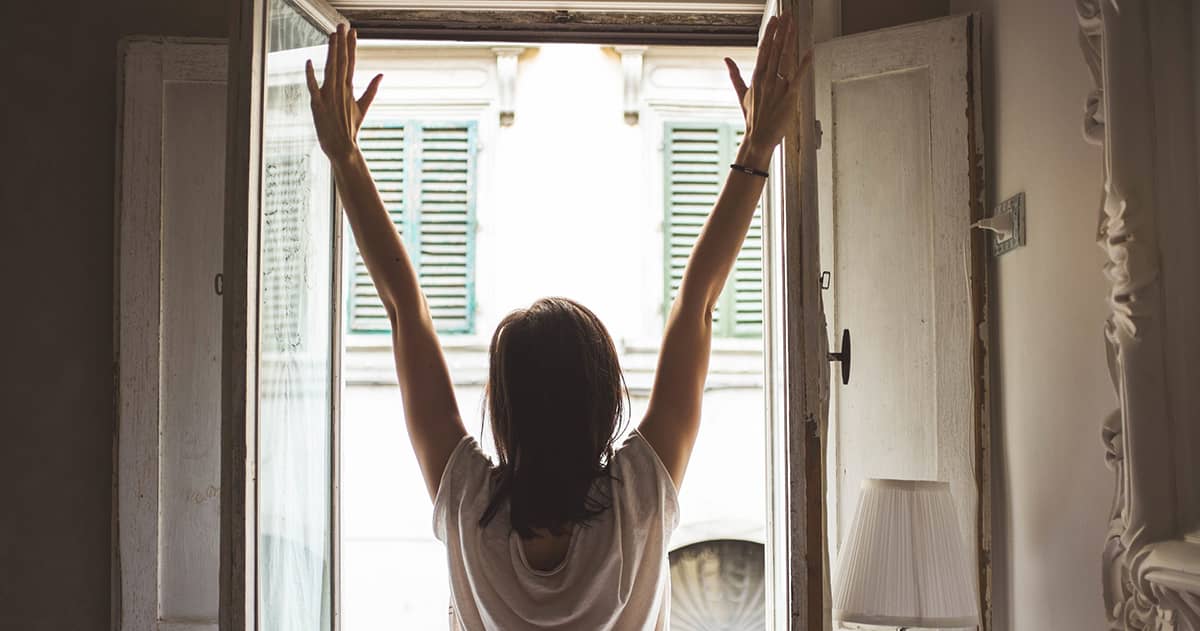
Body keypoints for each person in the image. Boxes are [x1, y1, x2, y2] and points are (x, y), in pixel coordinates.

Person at [306, 17, 809, 630]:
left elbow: (403, 307)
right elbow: (698, 303)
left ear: (505, 406)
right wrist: (756, 150)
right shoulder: (639, 500)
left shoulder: (467, 505)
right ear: (601, 405)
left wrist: (346, 156)